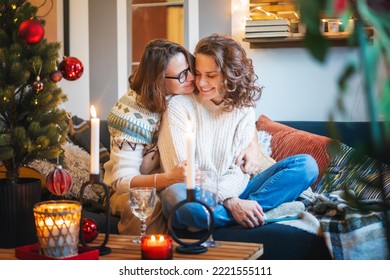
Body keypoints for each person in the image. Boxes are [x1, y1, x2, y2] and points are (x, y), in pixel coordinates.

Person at [159, 34, 319, 231]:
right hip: (197, 194)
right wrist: (232, 202)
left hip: (238, 190)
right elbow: (181, 173)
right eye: (198, 73)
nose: (201, 83)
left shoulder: (243, 109)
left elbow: (239, 171)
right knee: (173, 196)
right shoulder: (179, 106)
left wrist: (233, 199)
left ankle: (227, 216)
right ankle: (261, 212)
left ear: (230, 74)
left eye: (211, 75)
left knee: (306, 165)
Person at [103, 38, 262, 235]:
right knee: (154, 205)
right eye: (181, 76)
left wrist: (253, 145)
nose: (193, 79)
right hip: (134, 187)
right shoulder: (132, 115)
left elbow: (240, 112)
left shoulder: (192, 87)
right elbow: (121, 182)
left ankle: (231, 212)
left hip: (180, 183)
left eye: (190, 69)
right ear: (159, 81)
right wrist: (168, 178)